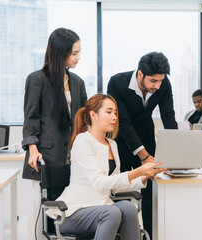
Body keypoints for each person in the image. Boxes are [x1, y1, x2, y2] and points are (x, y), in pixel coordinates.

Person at [47, 94, 165, 239]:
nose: (114, 117)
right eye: (109, 112)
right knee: (112, 212)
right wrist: (137, 171)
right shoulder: (83, 141)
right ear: (93, 115)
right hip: (73, 212)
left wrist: (144, 176)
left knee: (128, 208)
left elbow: (115, 187)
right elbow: (99, 182)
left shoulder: (112, 144)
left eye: (115, 112)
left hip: (102, 209)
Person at [107, 52, 178, 236]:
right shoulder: (117, 83)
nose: (158, 85)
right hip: (121, 142)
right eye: (153, 81)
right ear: (140, 74)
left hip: (147, 138)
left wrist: (175, 149)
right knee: (120, 191)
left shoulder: (163, 84)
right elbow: (123, 122)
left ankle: (149, 235)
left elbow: (168, 116)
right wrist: (143, 156)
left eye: (161, 81)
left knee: (148, 193)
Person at [21, 28, 87, 198]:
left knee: (72, 210)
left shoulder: (78, 82)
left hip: (74, 158)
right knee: (49, 213)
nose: (78, 57)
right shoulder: (37, 80)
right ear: (59, 53)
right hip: (47, 157)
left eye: (79, 52)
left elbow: (83, 121)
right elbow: (31, 118)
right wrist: (32, 150)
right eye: (74, 53)